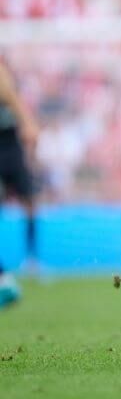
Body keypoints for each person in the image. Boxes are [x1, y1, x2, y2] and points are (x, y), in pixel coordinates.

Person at [0, 60, 40, 309]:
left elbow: (5, 87)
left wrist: (27, 121)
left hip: (8, 140)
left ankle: (31, 260)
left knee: (29, 201)